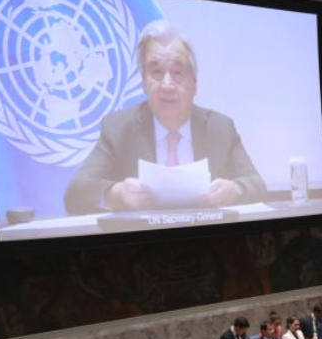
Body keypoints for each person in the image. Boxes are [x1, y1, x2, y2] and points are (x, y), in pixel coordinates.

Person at [63, 20, 266, 214]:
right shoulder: (118, 129)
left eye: (177, 72)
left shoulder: (220, 128)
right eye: (156, 72)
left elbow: (257, 185)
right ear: (143, 81)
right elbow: (75, 194)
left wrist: (235, 190)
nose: (167, 85)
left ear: (194, 83)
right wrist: (118, 194)